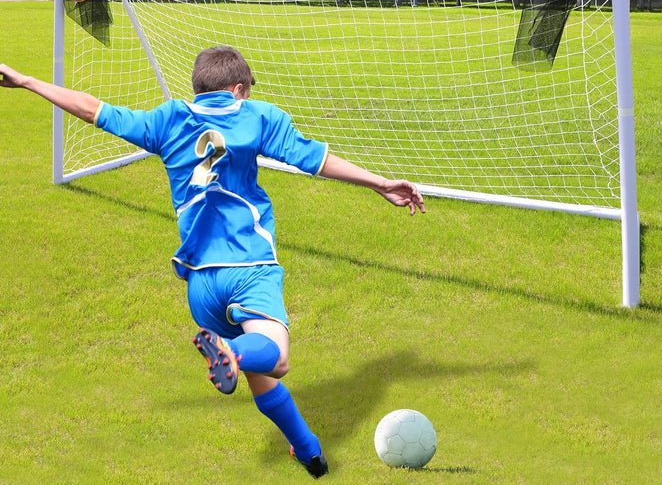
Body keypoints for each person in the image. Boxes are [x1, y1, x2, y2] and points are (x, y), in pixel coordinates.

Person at [0, 47, 425, 479]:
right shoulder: (258, 116)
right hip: (249, 265)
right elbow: (315, 160)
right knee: (273, 357)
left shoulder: (167, 119)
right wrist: (379, 183)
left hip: (200, 282)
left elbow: (93, 109)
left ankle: (309, 451)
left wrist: (27, 81)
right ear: (237, 89)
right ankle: (230, 352)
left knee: (262, 375)